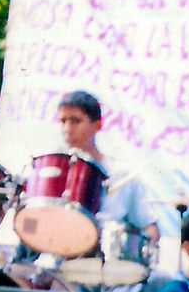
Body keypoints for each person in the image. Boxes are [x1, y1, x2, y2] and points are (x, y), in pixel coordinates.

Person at [56, 89, 160, 243]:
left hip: (103, 262)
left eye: (76, 121)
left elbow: (150, 228)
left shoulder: (121, 175)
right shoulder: (54, 172)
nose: (67, 130)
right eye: (63, 121)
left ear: (97, 125)